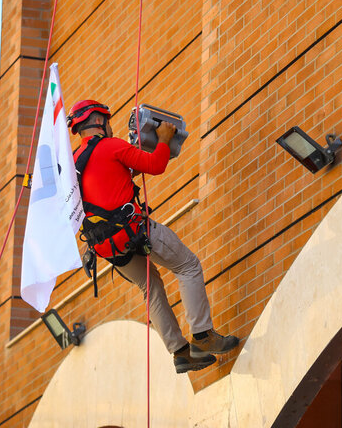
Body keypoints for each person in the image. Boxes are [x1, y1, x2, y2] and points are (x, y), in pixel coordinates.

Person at [67, 99, 239, 373]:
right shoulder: (112, 146)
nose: (110, 127)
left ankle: (180, 352)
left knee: (151, 288)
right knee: (188, 265)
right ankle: (203, 336)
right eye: (108, 121)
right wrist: (163, 139)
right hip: (134, 230)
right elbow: (156, 165)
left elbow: (115, 176)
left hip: (107, 246)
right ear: (99, 120)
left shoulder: (75, 162)